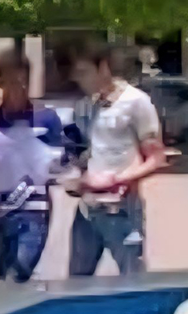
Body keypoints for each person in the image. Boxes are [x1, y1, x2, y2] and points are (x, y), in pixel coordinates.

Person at [69, 38, 168, 277]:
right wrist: (75, 177)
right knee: (75, 287)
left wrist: (116, 180)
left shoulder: (136, 103)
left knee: (132, 283)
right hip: (86, 211)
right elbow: (88, 153)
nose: (79, 80)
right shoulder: (85, 107)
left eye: (84, 72)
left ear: (103, 67)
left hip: (122, 212)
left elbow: (156, 158)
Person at [0, 44, 63, 284]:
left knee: (15, 278)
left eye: (22, 83)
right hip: (0, 214)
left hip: (35, 212)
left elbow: (61, 164)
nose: (17, 89)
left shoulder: (47, 119)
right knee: (6, 283)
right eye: (11, 82)